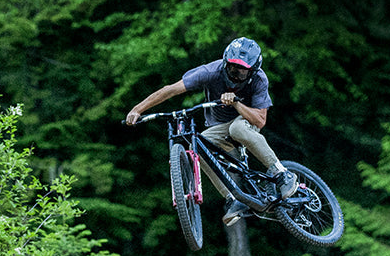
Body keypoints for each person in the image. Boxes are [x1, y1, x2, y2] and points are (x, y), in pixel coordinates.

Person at [124, 37, 297, 226]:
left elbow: (260, 120)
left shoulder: (259, 79)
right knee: (198, 146)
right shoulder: (211, 72)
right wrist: (137, 109)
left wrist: (236, 103)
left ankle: (281, 173)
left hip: (247, 121)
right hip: (220, 127)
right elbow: (170, 90)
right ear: (225, 63)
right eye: (232, 69)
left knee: (237, 128)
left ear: (252, 71)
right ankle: (232, 198)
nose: (236, 75)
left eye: (242, 72)